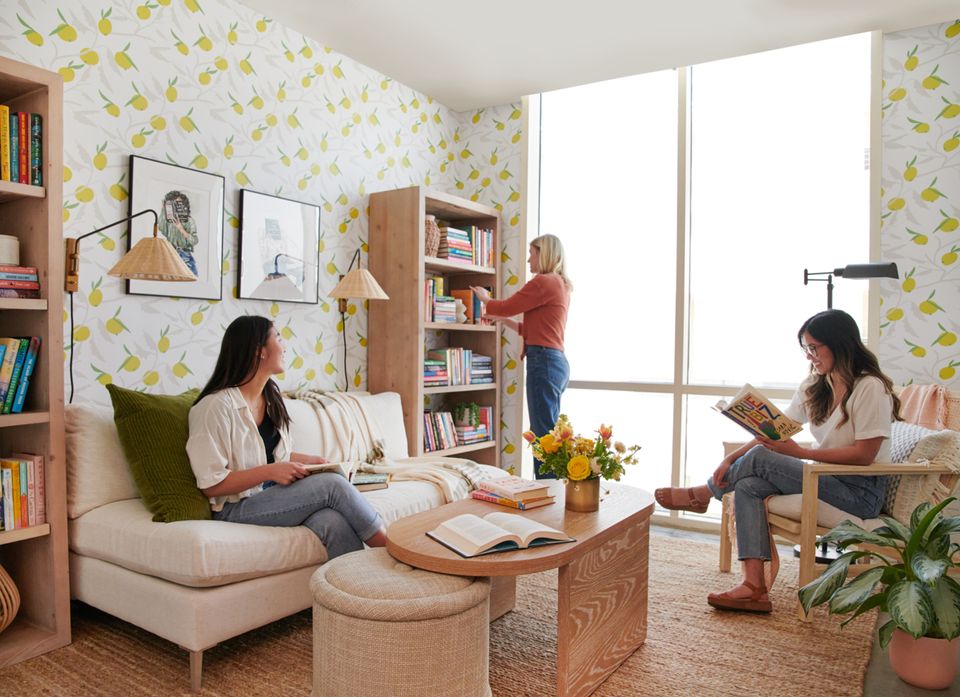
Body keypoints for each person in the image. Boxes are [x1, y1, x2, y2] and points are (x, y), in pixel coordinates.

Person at [654, 309, 900, 613]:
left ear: (839, 344)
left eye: (814, 348)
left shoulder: (869, 387)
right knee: (749, 485)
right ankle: (753, 587)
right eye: (806, 349)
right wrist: (730, 458)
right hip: (826, 479)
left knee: (759, 458)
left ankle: (702, 495)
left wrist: (803, 453)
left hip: (860, 492)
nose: (810, 356)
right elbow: (774, 430)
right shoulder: (815, 386)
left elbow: (865, 454)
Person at [186, 315, 387, 559]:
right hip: (235, 507)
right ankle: (390, 548)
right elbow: (211, 484)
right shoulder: (214, 407)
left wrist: (309, 461)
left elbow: (265, 454)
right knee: (332, 486)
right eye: (278, 337)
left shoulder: (271, 396)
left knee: (331, 521)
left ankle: (355, 592)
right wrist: (272, 471)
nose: (284, 346)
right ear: (259, 351)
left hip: (274, 495)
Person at [472, 234, 572, 479]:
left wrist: (486, 300)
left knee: (543, 436)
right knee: (548, 434)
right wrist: (502, 319)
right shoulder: (559, 285)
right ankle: (552, 493)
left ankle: (548, 494)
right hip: (554, 362)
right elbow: (529, 330)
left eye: (532, 253)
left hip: (544, 362)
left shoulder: (544, 282)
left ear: (544, 254)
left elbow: (507, 305)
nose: (529, 259)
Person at [159, 190, 199, 275]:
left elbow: (194, 240)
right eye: (172, 204)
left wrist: (181, 229)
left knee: (192, 278)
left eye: (178, 204)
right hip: (170, 254)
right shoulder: (169, 221)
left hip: (185, 256)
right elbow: (162, 229)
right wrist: (163, 210)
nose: (176, 207)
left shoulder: (189, 221)